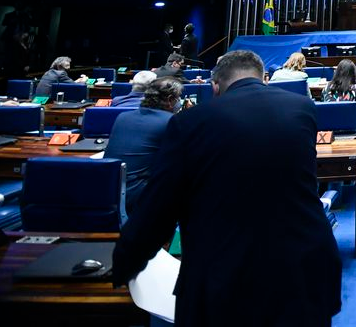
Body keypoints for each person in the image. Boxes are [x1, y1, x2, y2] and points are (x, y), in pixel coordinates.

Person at [111, 49, 341, 325]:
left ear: (215, 86)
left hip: (225, 280)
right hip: (305, 271)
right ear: (264, 78)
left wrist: (122, 266)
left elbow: (158, 210)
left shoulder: (189, 122)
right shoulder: (303, 108)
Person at [103, 76, 182, 214]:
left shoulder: (122, 117)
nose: (179, 102)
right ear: (170, 100)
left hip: (108, 190)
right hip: (138, 197)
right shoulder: (171, 121)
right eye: (178, 98)